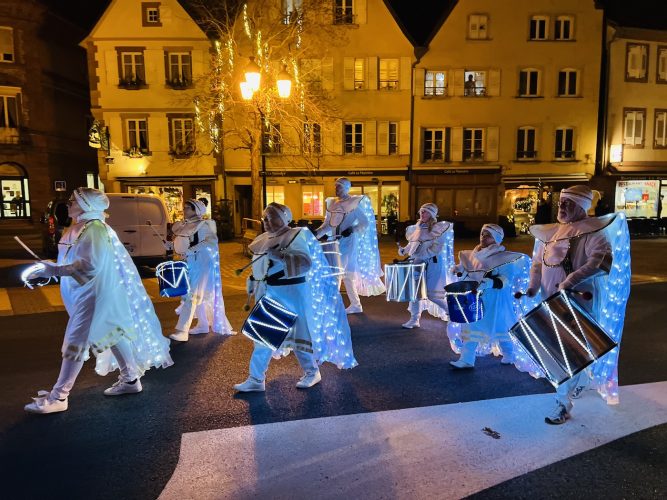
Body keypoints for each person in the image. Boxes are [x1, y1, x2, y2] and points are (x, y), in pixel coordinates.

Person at [23, 187, 172, 414]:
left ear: (87, 205)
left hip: (94, 294)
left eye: (74, 200)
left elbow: (90, 266)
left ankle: (59, 396)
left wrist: (53, 270)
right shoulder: (81, 228)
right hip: (87, 292)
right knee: (112, 333)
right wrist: (50, 270)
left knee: (76, 340)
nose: (69, 203)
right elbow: (72, 260)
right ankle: (131, 379)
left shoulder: (94, 230)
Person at [525, 185, 631, 425]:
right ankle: (581, 380)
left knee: (567, 355)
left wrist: (570, 280)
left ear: (582, 206)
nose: (561, 207)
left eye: (568, 203)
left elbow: (601, 262)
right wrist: (533, 287)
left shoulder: (595, 233)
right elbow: (537, 264)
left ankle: (562, 404)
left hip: (577, 301)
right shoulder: (551, 233)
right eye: (561, 202)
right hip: (549, 301)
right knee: (564, 351)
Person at [234, 203, 356, 392]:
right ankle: (256, 379)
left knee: (299, 337)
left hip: (293, 293)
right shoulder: (264, 239)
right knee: (263, 337)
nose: (265, 221)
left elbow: (305, 263)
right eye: (264, 218)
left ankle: (312, 372)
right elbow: (261, 266)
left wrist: (281, 256)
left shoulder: (296, 235)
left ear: (283, 218)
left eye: (270, 217)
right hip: (271, 293)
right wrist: (253, 280)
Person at [448, 224, 531, 369]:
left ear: (497, 239)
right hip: (474, 297)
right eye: (482, 234)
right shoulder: (472, 254)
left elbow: (506, 280)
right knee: (471, 325)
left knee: (500, 327)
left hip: (495, 300)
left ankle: (509, 353)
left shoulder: (504, 258)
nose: (483, 237)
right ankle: (467, 359)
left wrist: (489, 283)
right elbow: (468, 267)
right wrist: (458, 268)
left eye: (488, 235)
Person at [315, 177, 385, 314]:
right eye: (335, 186)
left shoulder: (354, 203)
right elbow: (328, 224)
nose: (336, 189)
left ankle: (332, 305)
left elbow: (365, 222)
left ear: (347, 188)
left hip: (348, 242)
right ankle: (356, 305)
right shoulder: (332, 203)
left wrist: (352, 229)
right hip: (333, 242)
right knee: (347, 275)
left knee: (337, 272)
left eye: (339, 186)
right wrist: (315, 234)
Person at [168, 199, 234, 342]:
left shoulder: (205, 224)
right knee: (196, 295)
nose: (184, 210)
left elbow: (211, 242)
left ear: (196, 210)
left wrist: (190, 250)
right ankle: (203, 324)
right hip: (190, 263)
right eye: (184, 208)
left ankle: (182, 330)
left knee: (192, 295)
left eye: (188, 208)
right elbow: (182, 242)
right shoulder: (185, 225)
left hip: (202, 264)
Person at [397, 203, 454, 328]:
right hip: (417, 263)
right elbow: (413, 244)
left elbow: (436, 248)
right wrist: (404, 250)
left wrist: (423, 256)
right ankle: (414, 319)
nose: (422, 214)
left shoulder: (438, 228)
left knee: (432, 295)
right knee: (415, 293)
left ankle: (451, 314)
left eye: (426, 212)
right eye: (421, 211)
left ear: (432, 214)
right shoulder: (417, 227)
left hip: (433, 263)